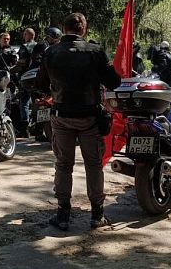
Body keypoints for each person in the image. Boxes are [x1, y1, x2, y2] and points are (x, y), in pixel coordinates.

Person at [36, 13, 120, 231]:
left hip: (62, 115)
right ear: (83, 29)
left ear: (64, 29)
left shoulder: (50, 52)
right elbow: (114, 81)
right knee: (93, 164)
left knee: (63, 164)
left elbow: (40, 84)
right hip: (89, 117)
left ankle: (63, 214)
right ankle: (97, 214)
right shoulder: (95, 51)